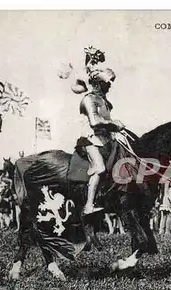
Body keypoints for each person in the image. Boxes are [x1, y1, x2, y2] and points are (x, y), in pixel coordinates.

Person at [74, 46, 125, 215]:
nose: (109, 86)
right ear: (98, 83)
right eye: (106, 83)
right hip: (90, 140)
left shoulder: (103, 101)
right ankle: (89, 205)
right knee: (100, 168)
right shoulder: (89, 99)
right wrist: (114, 123)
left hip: (105, 139)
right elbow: (95, 122)